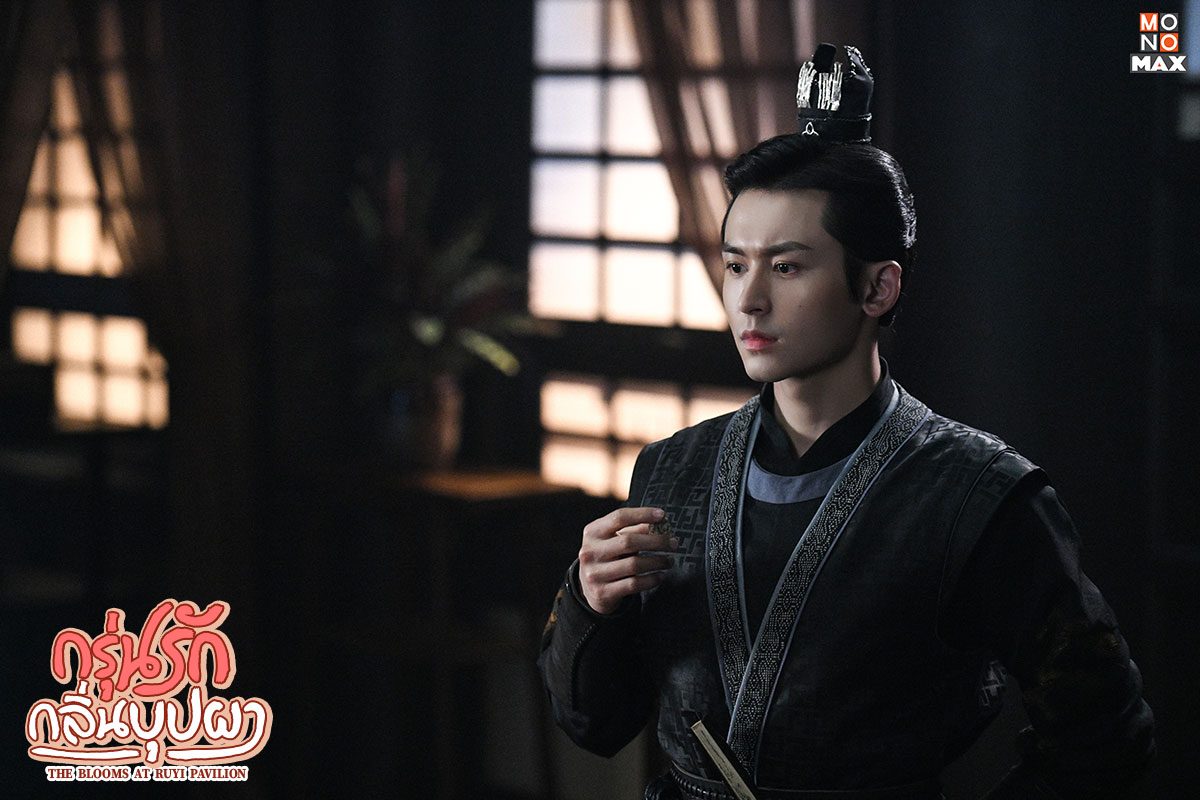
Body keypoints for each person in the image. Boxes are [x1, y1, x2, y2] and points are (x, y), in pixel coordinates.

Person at [537, 43, 1154, 800]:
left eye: (786, 266)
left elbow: (1106, 736)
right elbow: (595, 726)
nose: (748, 300)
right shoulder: (672, 469)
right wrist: (590, 603)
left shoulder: (979, 495)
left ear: (878, 288)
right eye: (735, 264)